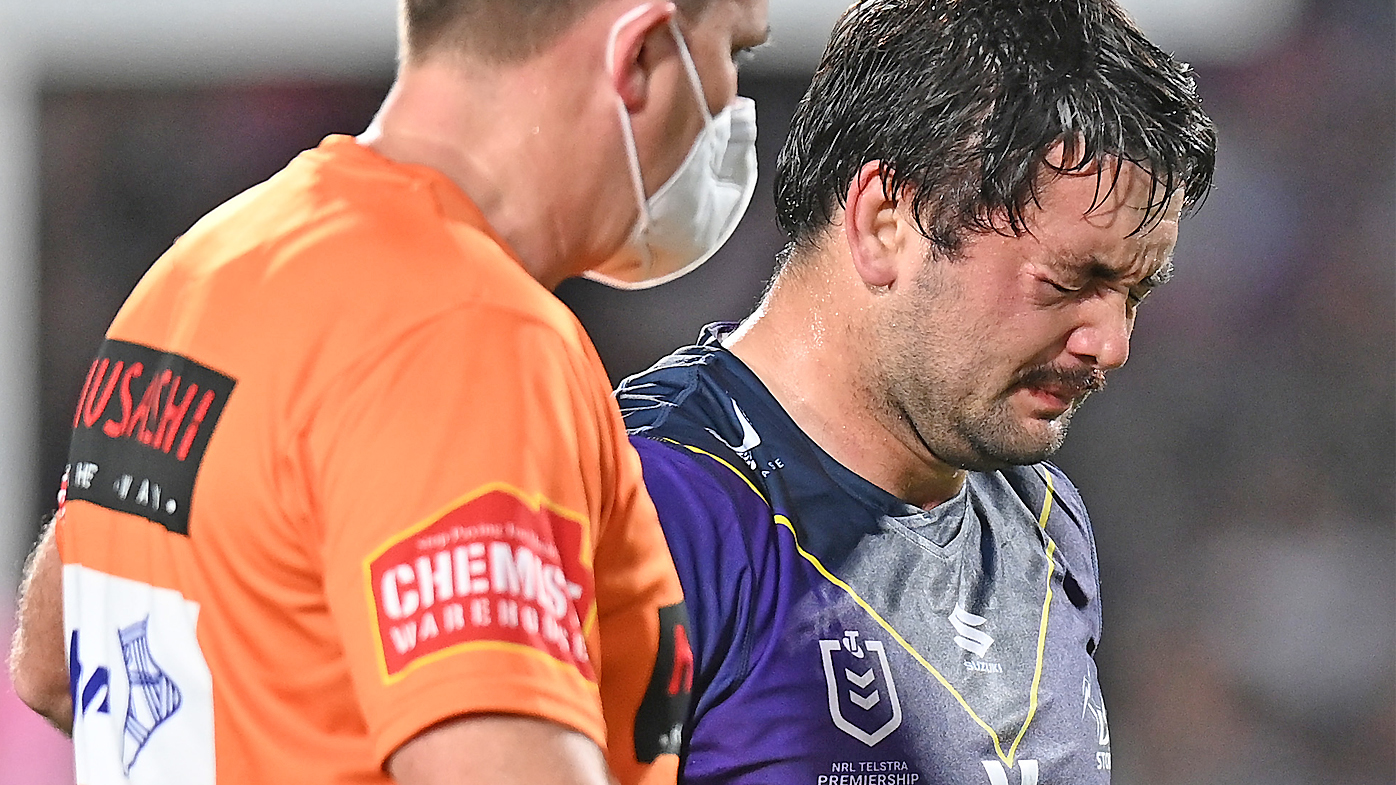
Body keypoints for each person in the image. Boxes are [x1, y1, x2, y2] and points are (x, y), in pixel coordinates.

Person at [8, 0, 769, 783]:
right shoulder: (467, 332)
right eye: (733, 52)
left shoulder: (200, 272)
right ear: (639, 55)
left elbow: (50, 660)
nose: (732, 104)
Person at [615, 1, 1217, 783]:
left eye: (1134, 293)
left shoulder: (1044, 521)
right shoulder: (656, 501)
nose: (1112, 343)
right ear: (885, 224)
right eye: (1072, 280)